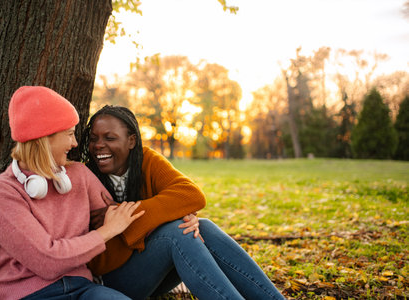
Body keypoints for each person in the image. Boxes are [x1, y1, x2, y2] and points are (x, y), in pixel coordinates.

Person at [80, 105, 285, 300]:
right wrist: (164, 216)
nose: (98, 145)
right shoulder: (85, 177)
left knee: (202, 227)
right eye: (93, 138)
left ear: (131, 141)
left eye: (110, 138)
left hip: (153, 272)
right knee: (178, 233)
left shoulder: (146, 160)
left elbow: (191, 195)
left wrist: (128, 216)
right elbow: (98, 260)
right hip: (112, 282)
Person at [0, 87, 144, 300]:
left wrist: (180, 215)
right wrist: (105, 232)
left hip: (83, 288)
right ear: (44, 138)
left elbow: (120, 215)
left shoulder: (78, 175)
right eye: (70, 134)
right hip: (28, 295)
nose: (75, 143)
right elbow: (47, 260)